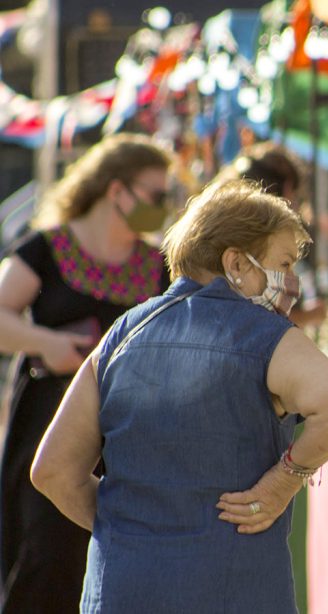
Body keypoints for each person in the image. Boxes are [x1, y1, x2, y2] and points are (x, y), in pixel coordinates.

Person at [30, 179, 328, 612]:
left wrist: (129, 526)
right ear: (236, 263)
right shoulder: (264, 334)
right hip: (232, 589)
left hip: (120, 587)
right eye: (283, 262)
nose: (291, 281)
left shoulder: (123, 333)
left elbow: (53, 471)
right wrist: (286, 479)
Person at [0, 133, 174, 612]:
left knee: (111, 555)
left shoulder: (159, 266)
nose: (163, 208)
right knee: (45, 552)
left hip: (129, 434)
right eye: (156, 196)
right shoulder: (46, 249)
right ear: (116, 191)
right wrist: (47, 343)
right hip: (49, 425)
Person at [215, 142, 326, 328]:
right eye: (294, 196)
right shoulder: (248, 242)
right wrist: (308, 316)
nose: (296, 207)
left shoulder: (227, 224)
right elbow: (251, 327)